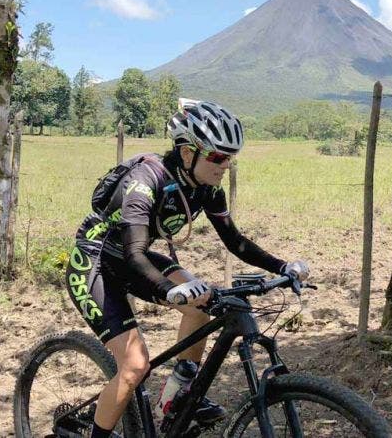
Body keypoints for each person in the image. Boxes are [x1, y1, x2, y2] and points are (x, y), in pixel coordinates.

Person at [64, 98, 309, 438]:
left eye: (230, 158)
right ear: (186, 152)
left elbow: (235, 242)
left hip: (134, 259)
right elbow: (135, 254)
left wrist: (283, 266)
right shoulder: (144, 182)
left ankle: (177, 395)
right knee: (135, 367)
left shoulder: (206, 189)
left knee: (203, 304)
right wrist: (169, 289)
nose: (225, 165)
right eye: (218, 156)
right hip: (97, 261)